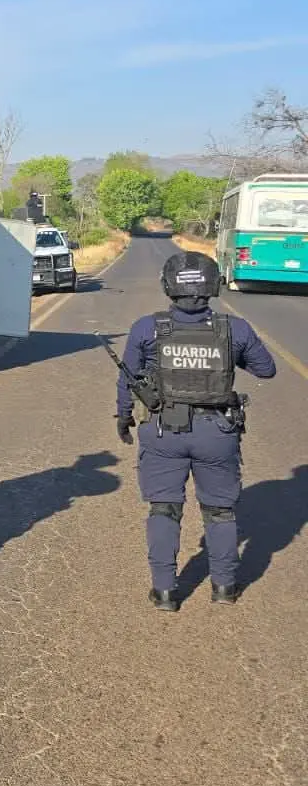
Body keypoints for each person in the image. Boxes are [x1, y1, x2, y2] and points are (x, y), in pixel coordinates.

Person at [116, 251, 275, 611]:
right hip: (217, 431)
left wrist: (123, 417)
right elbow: (266, 370)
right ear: (214, 285)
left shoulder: (146, 327)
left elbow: (126, 380)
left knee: (164, 509)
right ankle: (224, 588)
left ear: (168, 286)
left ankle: (166, 592)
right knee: (220, 512)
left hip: (162, 433)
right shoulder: (235, 328)